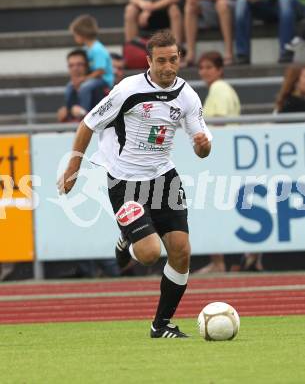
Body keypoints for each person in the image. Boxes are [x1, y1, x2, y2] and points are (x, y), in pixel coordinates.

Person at [57, 30, 212, 338]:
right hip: (125, 180)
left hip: (164, 177)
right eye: (162, 61)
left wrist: (202, 144)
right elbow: (88, 122)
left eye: (173, 60)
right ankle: (127, 240)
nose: (168, 67)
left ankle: (161, 325)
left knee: (181, 252)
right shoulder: (128, 90)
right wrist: (74, 164)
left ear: (179, 58)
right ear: (149, 61)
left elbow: (203, 149)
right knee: (151, 253)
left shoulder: (188, 96)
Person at [196, 51, 240, 273]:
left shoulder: (219, 89)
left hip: (219, 157)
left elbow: (220, 123)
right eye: (202, 67)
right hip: (222, 155)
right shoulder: (221, 89)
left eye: (209, 67)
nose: (204, 71)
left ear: (219, 69)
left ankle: (219, 261)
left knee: (212, 204)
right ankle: (221, 260)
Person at [68, 14, 114, 111]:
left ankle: (84, 111)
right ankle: (69, 110)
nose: (74, 37)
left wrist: (83, 79)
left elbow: (100, 71)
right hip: (94, 78)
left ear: (82, 34)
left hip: (104, 80)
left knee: (85, 87)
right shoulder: (87, 49)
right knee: (70, 85)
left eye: (75, 34)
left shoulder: (97, 49)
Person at [235, 0, 296, 65]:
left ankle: (286, 51)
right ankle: (242, 54)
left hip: (296, 3)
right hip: (269, 5)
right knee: (241, 1)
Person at [183, 0, 234, 66]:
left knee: (222, 3)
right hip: (207, 6)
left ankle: (229, 53)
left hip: (233, 4)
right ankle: (190, 54)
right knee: (190, 6)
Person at [57, 49, 106, 122]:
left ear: (87, 66)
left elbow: (105, 117)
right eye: (71, 65)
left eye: (79, 64)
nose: (75, 68)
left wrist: (83, 114)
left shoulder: (98, 89)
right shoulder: (69, 89)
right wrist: (63, 115)